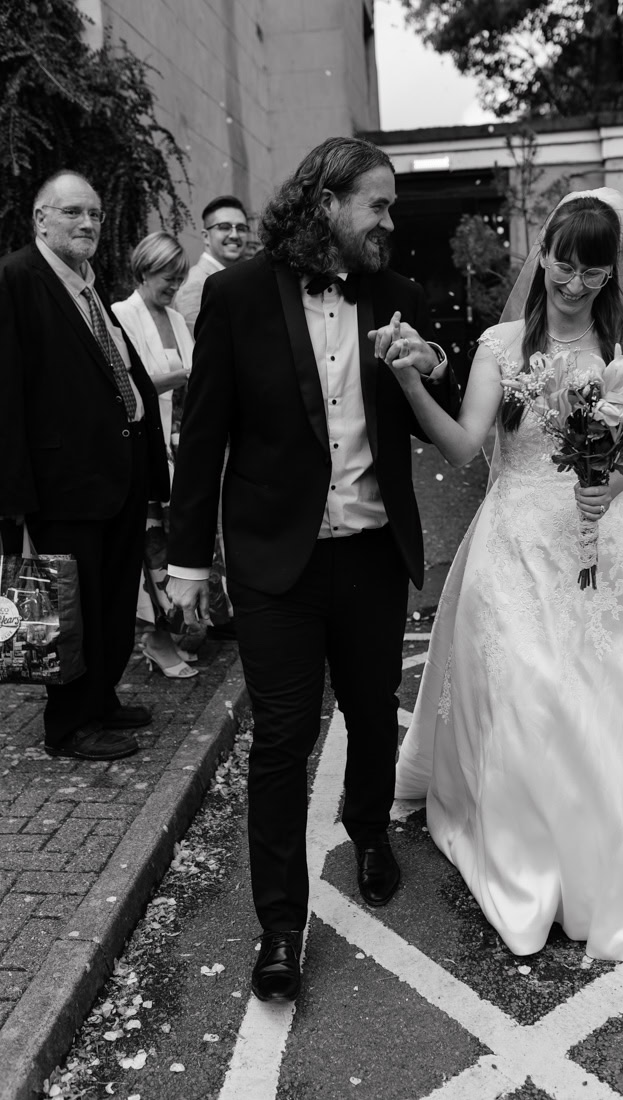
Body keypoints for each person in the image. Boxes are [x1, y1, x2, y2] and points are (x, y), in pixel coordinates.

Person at [391, 189, 623, 985]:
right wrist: (412, 387)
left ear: (612, 272)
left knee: (622, 695)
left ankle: (618, 845)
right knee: (530, 694)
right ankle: (532, 865)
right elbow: (468, 446)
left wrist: (613, 483)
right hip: (513, 541)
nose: (573, 282)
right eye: (563, 263)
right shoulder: (503, 345)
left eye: (592, 268)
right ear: (541, 255)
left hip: (600, 536)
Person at [165, 136, 459, 1002]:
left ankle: (367, 829)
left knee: (373, 710)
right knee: (283, 739)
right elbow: (205, 433)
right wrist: (186, 562)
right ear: (326, 201)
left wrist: (427, 363)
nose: (389, 221)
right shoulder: (236, 294)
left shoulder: (396, 297)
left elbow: (445, 384)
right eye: (377, 204)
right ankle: (281, 926)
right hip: (272, 559)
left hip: (370, 550)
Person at [0, 170, 169, 760]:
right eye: (72, 212)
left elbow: (119, 372)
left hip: (114, 479)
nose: (88, 224)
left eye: (94, 214)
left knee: (111, 602)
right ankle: (68, 727)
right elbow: (6, 391)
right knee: (64, 608)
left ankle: (100, 700)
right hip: (60, 485)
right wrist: (14, 496)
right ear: (40, 219)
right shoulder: (18, 278)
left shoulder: (88, 285)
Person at [112, 231, 199, 679]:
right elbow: (128, 387)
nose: (175, 286)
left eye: (181, 278)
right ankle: (155, 639)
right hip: (147, 452)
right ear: (144, 270)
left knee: (176, 543)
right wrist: (185, 373)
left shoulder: (177, 319)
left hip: (180, 450)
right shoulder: (119, 316)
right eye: (169, 277)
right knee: (153, 551)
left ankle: (171, 631)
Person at [173, 194, 249, 334]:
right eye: (224, 227)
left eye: (241, 228)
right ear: (205, 236)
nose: (234, 235)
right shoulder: (196, 285)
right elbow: (197, 347)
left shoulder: (240, 280)